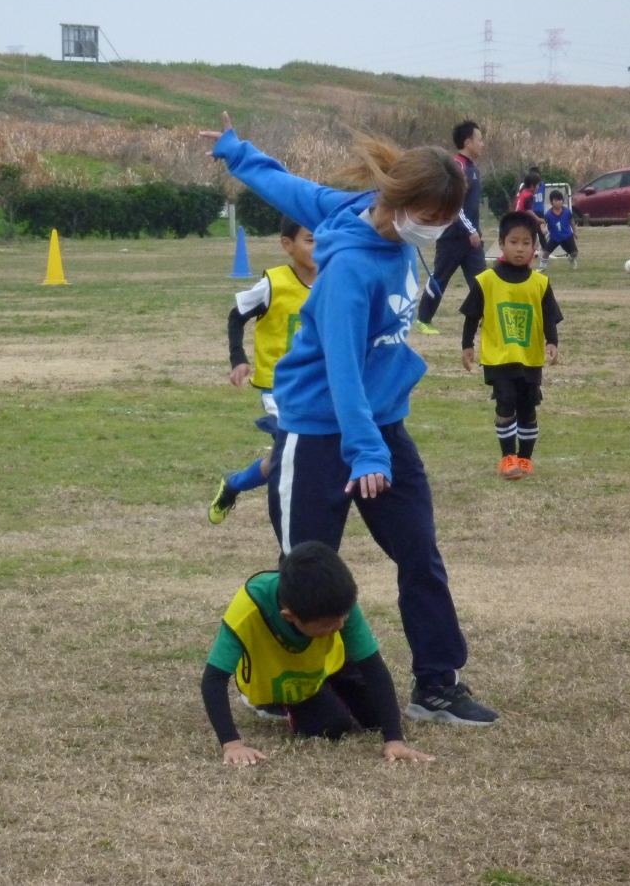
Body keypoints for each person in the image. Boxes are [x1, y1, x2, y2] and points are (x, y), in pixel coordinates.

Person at [201, 111, 499, 726]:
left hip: (381, 426)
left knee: (419, 554)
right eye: (434, 216)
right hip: (317, 432)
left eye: (446, 219)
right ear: (401, 203)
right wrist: (363, 453)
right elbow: (343, 371)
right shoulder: (349, 269)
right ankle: (278, 686)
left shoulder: (354, 210)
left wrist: (236, 149)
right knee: (305, 573)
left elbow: (290, 188)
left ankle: (436, 684)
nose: (439, 229)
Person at [202, 541, 435, 765]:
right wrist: (232, 744)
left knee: (377, 717)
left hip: (329, 664)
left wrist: (394, 739)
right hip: (284, 679)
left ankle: (330, 688)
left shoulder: (337, 602)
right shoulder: (249, 608)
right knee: (331, 726)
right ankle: (276, 704)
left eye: (343, 617)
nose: (340, 626)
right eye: (328, 624)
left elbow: (372, 666)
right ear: (289, 617)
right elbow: (213, 679)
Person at [209, 215, 316, 524]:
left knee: (289, 454)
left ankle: (234, 483)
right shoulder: (274, 284)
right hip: (278, 387)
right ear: (287, 245)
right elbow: (236, 316)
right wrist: (238, 358)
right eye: (310, 240)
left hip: (319, 386)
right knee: (296, 448)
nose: (319, 247)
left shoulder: (335, 281)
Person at [460, 211, 562, 479]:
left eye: (526, 243)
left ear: (535, 246)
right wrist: (467, 345)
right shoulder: (486, 281)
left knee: (528, 407)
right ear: (501, 244)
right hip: (498, 356)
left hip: (530, 356)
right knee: (505, 401)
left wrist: (552, 341)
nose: (520, 248)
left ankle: (525, 459)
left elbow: (549, 317)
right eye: (514, 242)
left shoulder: (540, 283)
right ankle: (508, 458)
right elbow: (472, 316)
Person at [413, 120, 484, 336]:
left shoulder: (473, 168)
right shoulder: (457, 167)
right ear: (468, 142)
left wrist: (474, 231)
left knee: (482, 281)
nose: (483, 144)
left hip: (472, 240)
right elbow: (455, 204)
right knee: (440, 278)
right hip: (453, 238)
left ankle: (488, 318)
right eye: (480, 140)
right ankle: (423, 319)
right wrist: (470, 230)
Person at [539, 190, 578, 270]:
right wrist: (543, 229)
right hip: (554, 238)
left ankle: (571, 259)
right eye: (556, 200)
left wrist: (575, 232)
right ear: (551, 202)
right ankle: (542, 268)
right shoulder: (548, 214)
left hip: (567, 236)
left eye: (560, 200)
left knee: (574, 253)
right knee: (545, 253)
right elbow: (543, 223)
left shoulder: (567, 211)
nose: (558, 202)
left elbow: (572, 222)